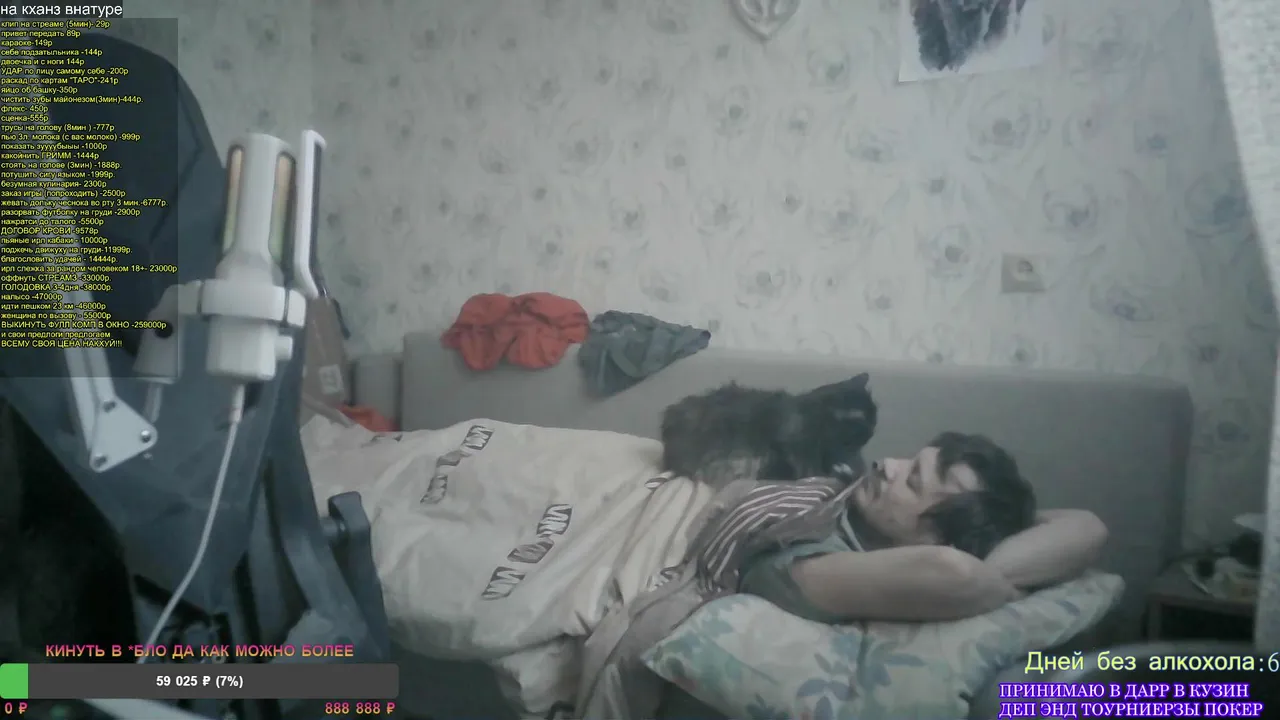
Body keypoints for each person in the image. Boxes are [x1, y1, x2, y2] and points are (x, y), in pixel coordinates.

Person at [739, 431, 1108, 623]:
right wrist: (1008, 585)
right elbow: (956, 573)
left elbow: (1088, 527)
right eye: (909, 462)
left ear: (938, 539)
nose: (887, 464)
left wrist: (987, 542)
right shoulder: (802, 554)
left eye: (912, 481)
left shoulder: (832, 558)